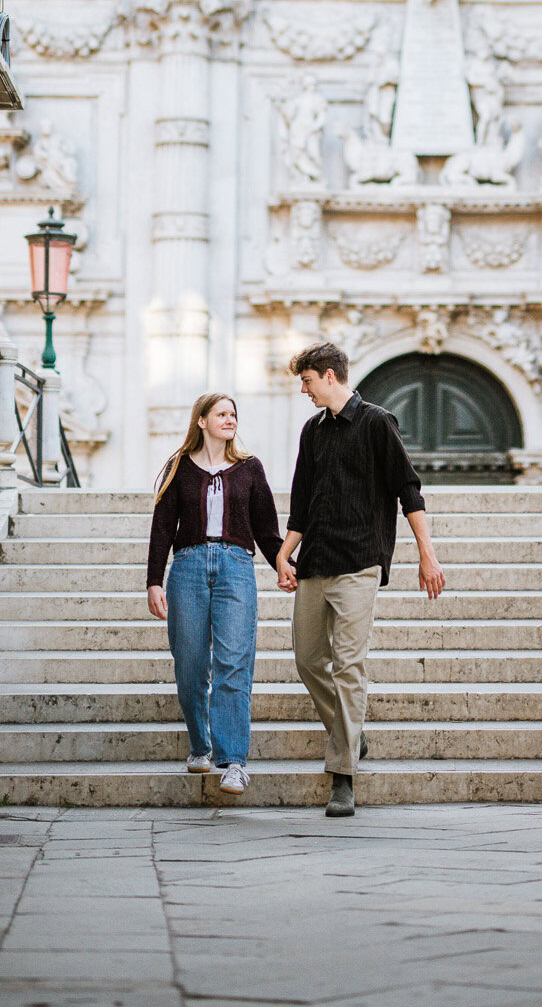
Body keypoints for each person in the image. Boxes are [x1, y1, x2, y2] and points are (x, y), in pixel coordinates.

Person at [277, 341, 445, 818]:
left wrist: (426, 557)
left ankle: (343, 776)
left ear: (330, 376)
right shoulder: (312, 431)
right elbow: (302, 501)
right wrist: (284, 555)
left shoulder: (376, 422)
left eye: (307, 381)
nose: (304, 391)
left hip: (359, 563)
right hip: (315, 562)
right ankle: (352, 734)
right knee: (309, 661)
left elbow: (408, 490)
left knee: (348, 664)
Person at [145, 392, 282, 796]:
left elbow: (267, 529)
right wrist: (154, 580)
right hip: (186, 568)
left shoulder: (250, 469)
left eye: (234, 414)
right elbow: (161, 528)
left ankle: (234, 761)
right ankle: (200, 744)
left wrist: (285, 566)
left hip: (236, 569)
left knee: (233, 664)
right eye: (221, 413)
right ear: (201, 420)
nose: (230, 419)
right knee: (189, 666)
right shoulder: (179, 468)